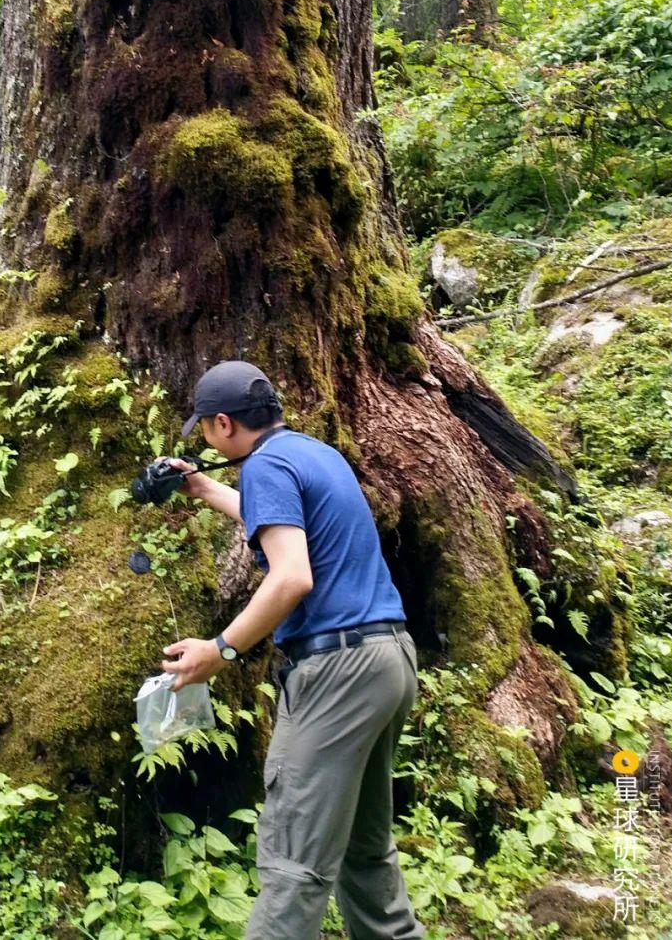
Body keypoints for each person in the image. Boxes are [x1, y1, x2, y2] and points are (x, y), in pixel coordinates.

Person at [160, 359, 425, 940]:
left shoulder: (266, 466)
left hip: (337, 670)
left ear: (223, 424)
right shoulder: (313, 453)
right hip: (388, 657)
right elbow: (286, 524)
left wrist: (221, 650)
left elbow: (291, 576)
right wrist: (205, 487)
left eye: (203, 428)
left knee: (294, 861)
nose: (204, 437)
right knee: (363, 847)